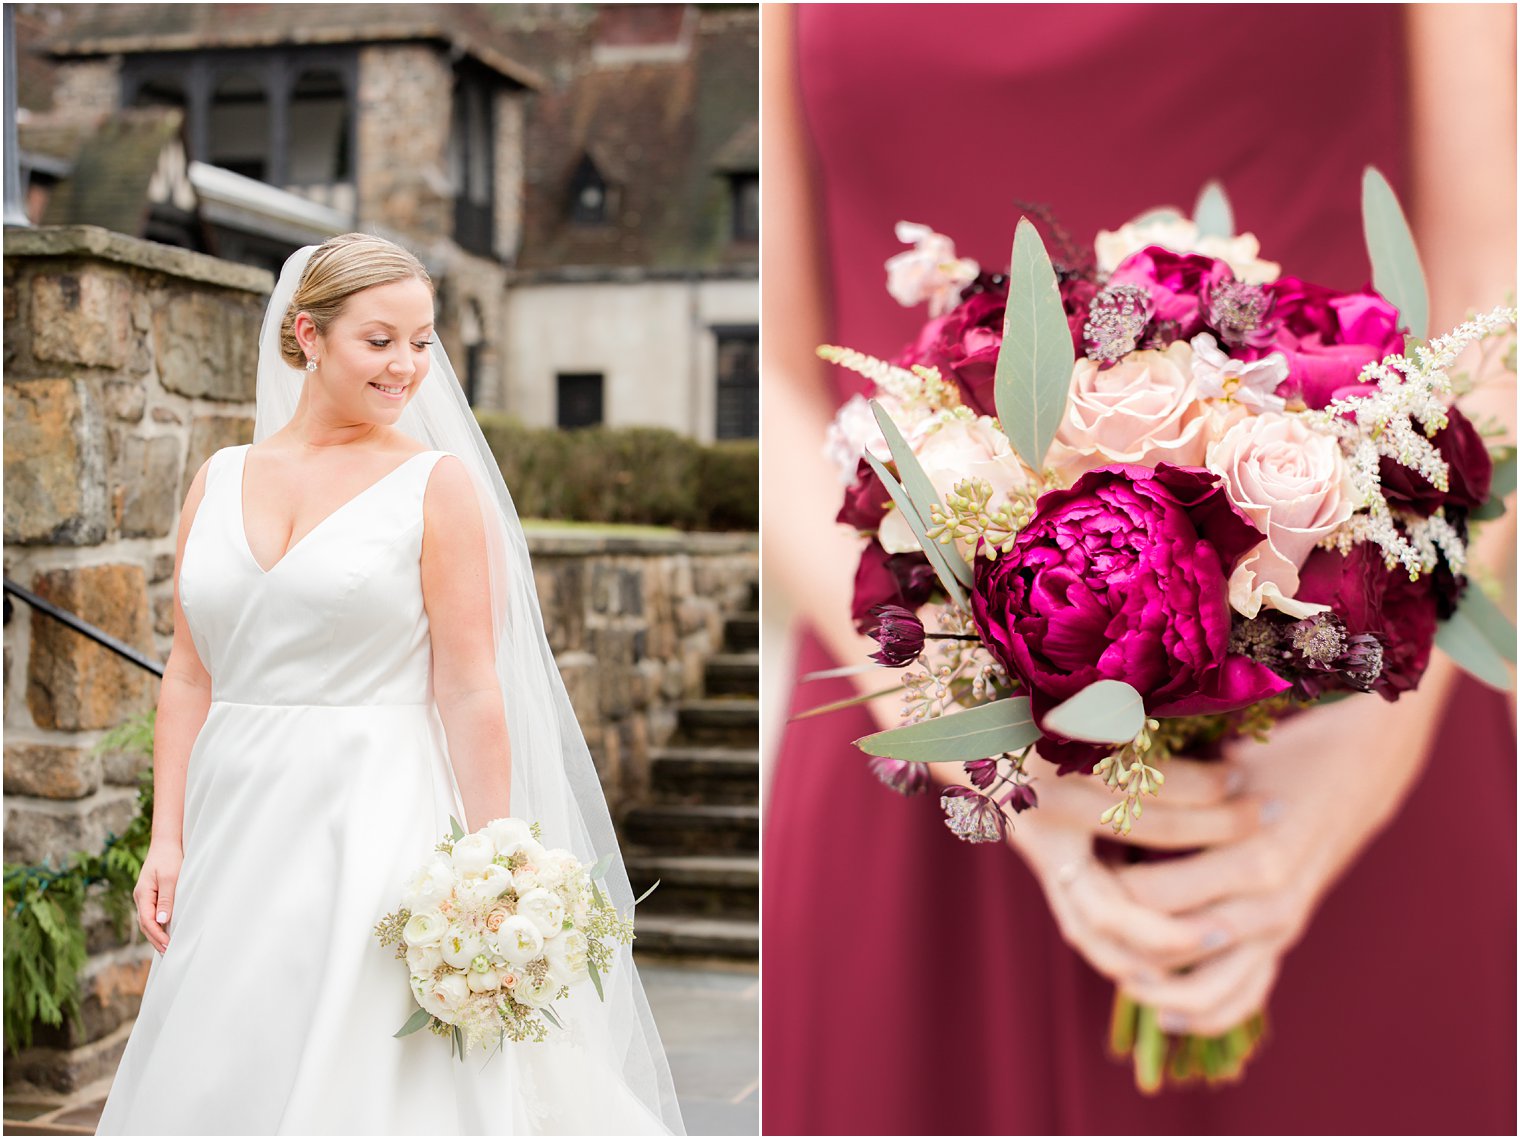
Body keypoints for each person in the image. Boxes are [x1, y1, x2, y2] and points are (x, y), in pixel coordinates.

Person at [761, 4, 1515, 1134]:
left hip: (1341, 720)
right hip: (923, 765)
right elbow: (777, 370)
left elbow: (1490, 284)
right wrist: (966, 726)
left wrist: (1362, 762)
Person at [95, 234, 685, 1135]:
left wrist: (499, 867)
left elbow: (471, 688)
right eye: (381, 340)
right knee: (227, 1048)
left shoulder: (435, 486)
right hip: (237, 821)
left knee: (367, 1068)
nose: (408, 365)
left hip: (374, 815)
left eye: (424, 340)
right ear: (309, 335)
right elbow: (189, 670)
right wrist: (165, 836)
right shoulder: (218, 479)